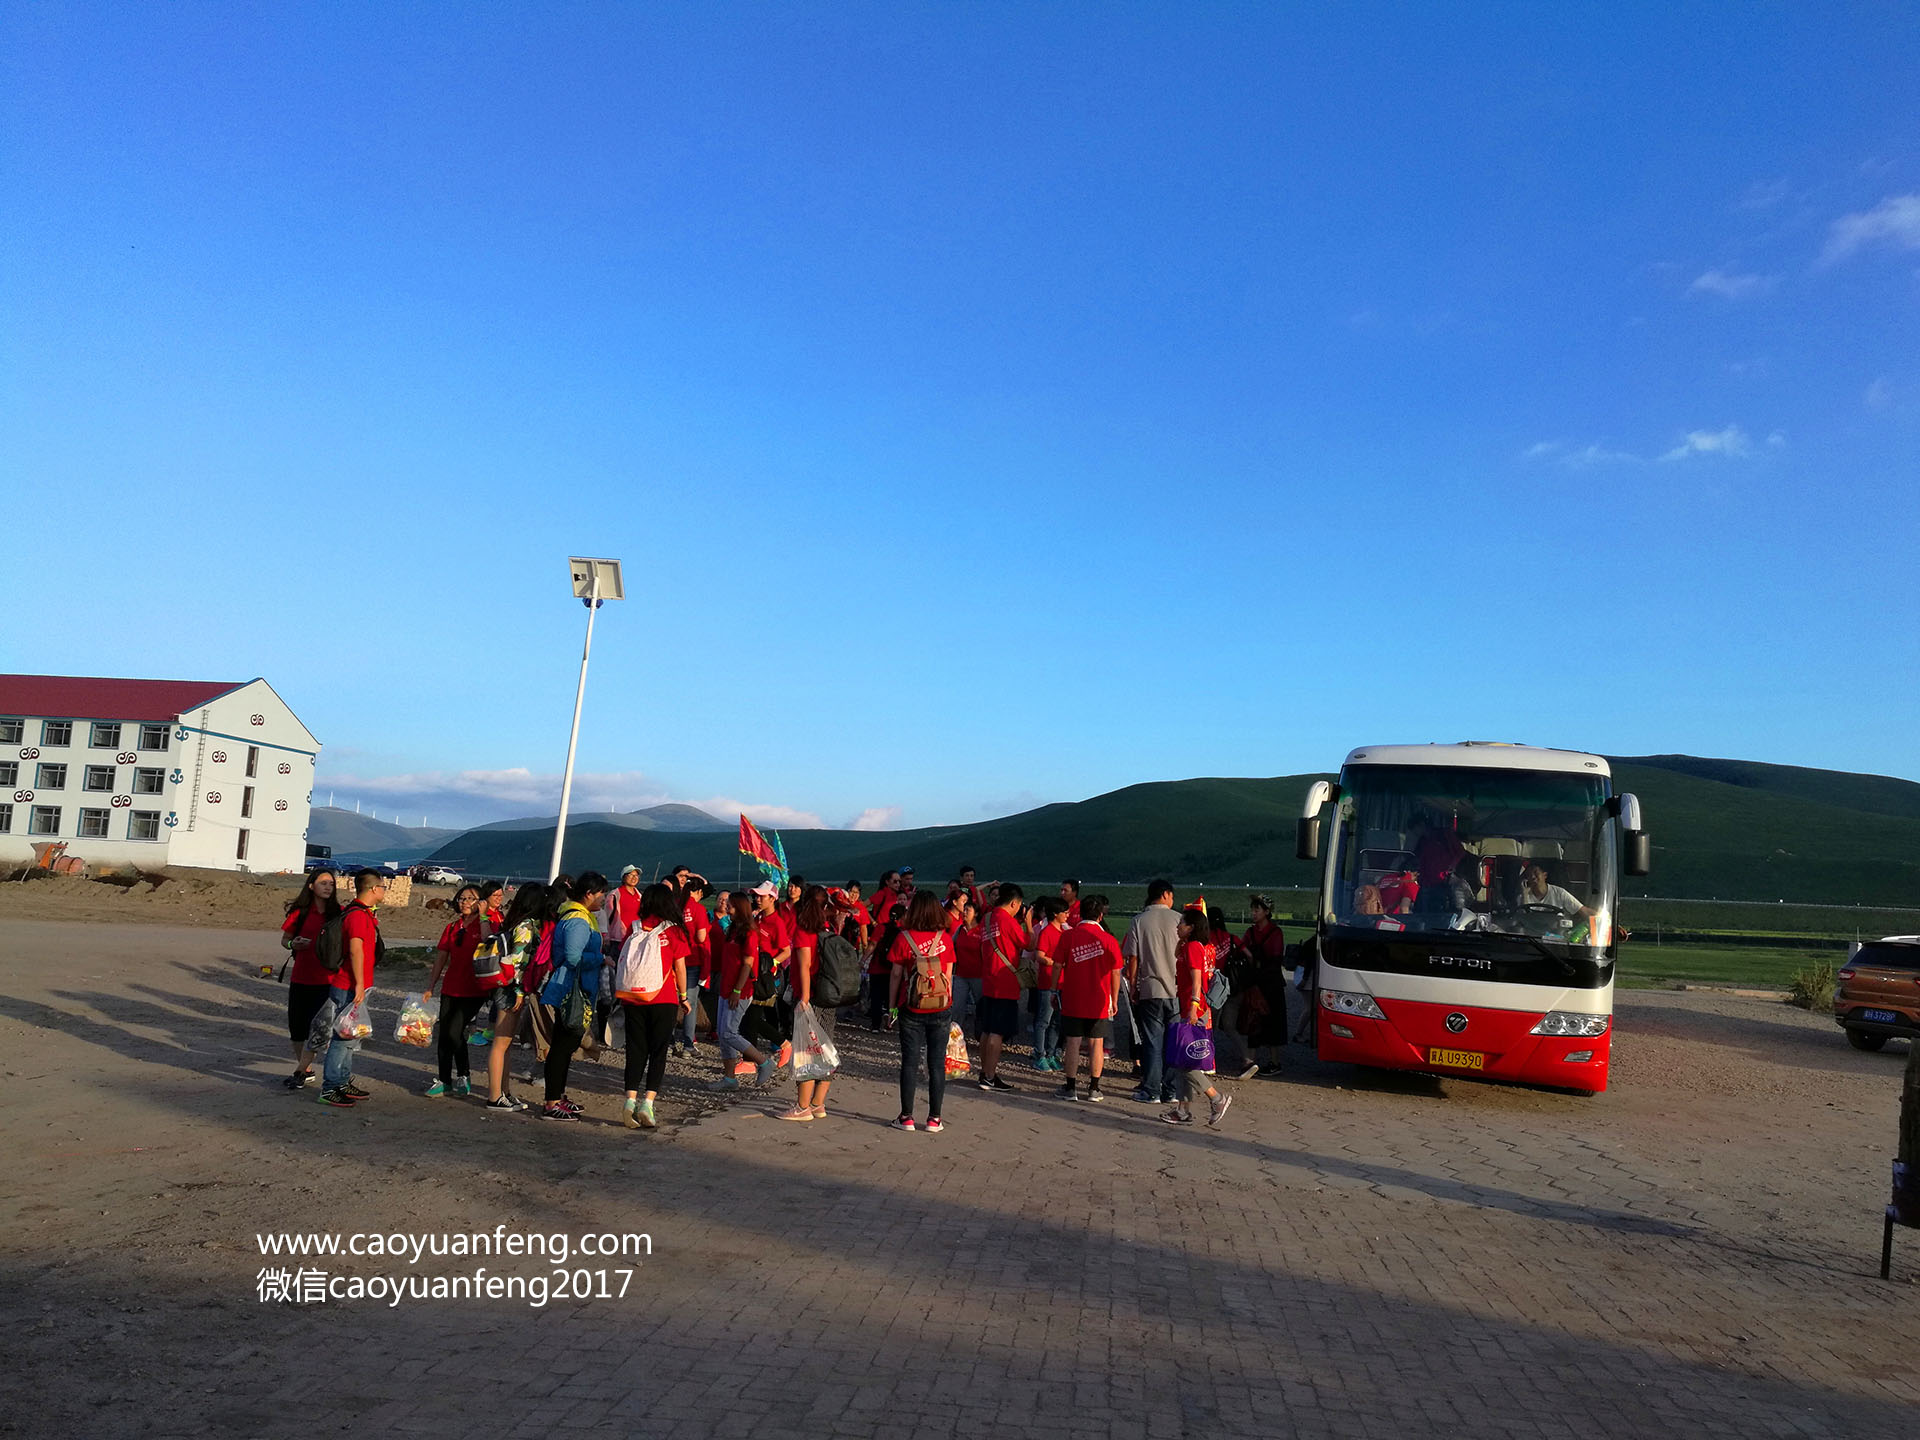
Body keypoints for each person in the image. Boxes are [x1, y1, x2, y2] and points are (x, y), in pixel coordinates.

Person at [614, 882, 692, 1130]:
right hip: (663, 997)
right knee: (658, 1052)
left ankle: (629, 1102)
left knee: (635, 1049)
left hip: (632, 998)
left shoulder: (635, 928)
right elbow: (680, 967)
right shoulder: (674, 931)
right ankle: (647, 1103)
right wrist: (684, 996)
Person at [537, 871, 609, 1120]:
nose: (603, 899)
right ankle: (551, 1102)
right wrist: (601, 958)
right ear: (589, 894)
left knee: (563, 1045)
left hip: (572, 986)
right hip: (571, 989)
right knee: (562, 1046)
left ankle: (557, 1096)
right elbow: (573, 956)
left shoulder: (578, 915)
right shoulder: (578, 920)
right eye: (601, 894)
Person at [319, 869, 387, 1108]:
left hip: (358, 985)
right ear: (372, 889)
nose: (384, 891)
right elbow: (356, 950)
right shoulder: (357, 915)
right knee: (341, 1037)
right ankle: (330, 1086)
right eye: (382, 886)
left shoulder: (364, 913)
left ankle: (342, 1081)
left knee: (351, 1037)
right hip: (348, 985)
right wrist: (359, 984)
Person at [888, 891, 956, 1131]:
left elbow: (896, 974)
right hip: (940, 1007)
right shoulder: (945, 939)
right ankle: (934, 1118)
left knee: (910, 1061)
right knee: (937, 1063)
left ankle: (906, 1116)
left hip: (911, 1006)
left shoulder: (903, 938)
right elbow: (947, 975)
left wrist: (892, 1006)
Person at [1165, 907, 1232, 1127]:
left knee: (1185, 1061)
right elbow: (1176, 955)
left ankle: (1216, 1098)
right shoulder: (1189, 946)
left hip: (1194, 1009)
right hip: (1189, 1008)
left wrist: (1194, 1005)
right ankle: (1183, 1111)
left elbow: (1196, 980)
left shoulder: (1194, 947)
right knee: (1183, 1060)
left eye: (1182, 923)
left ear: (1192, 927)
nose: (1178, 926)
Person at [483, 880, 546, 1111]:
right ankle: (494, 1095)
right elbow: (517, 962)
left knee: (506, 1043)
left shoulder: (514, 922)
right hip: (511, 989)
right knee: (501, 1043)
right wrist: (519, 990)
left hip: (507, 987)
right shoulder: (526, 927)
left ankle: (503, 1091)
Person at [424, 884, 492, 1098]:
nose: (464, 902)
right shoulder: (452, 928)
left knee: (455, 1031)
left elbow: (488, 942)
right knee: (445, 1034)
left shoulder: (486, 924)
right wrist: (430, 986)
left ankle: (463, 1074)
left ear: (480, 902)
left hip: (474, 990)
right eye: (462, 898)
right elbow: (441, 959)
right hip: (450, 987)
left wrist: (483, 916)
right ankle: (444, 1080)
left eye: (471, 899)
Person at [780, 885, 840, 1122]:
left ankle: (802, 1106)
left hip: (811, 997)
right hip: (828, 997)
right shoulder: (828, 930)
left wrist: (803, 998)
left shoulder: (804, 931)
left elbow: (804, 965)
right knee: (825, 1049)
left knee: (806, 1051)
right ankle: (818, 1103)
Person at [709, 891, 780, 1090]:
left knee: (730, 1032)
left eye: (730, 904)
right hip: (726, 986)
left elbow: (748, 964)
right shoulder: (733, 929)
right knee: (723, 1033)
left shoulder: (749, 932)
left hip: (739, 990)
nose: (726, 907)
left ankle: (764, 1062)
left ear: (739, 908)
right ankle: (730, 1078)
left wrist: (737, 990)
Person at [1120, 879, 1181, 1105]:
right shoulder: (1178, 919)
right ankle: (1171, 1091)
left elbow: (1133, 958)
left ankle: (1151, 1090)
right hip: (1175, 990)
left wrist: (1134, 986)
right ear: (1165, 894)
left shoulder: (1138, 921)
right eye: (1172, 895)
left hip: (1150, 989)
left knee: (1152, 1042)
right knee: (1173, 1042)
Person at [280, 868, 342, 1090]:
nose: (328, 887)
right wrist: (292, 944)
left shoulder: (338, 914)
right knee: (297, 1029)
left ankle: (299, 1071)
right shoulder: (300, 913)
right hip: (300, 978)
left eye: (331, 884)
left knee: (319, 1030)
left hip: (327, 981)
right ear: (311, 886)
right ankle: (304, 1068)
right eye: (323, 883)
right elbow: (284, 940)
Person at [1056, 895, 1122, 1101]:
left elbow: (1057, 965)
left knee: (1073, 1042)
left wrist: (1052, 989)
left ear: (1080, 914)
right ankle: (1094, 1088)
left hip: (1073, 997)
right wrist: (1114, 999)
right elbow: (1116, 972)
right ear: (1101, 916)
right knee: (1097, 1044)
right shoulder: (1109, 939)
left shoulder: (1068, 937)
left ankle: (1070, 1087)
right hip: (1099, 999)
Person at [976, 883, 1029, 1092]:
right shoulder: (1008, 920)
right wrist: (1028, 923)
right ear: (1014, 903)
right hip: (1005, 981)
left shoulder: (987, 918)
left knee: (987, 1030)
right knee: (997, 1032)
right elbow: (1028, 943)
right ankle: (989, 1076)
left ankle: (985, 1072)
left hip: (989, 978)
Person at [1240, 895, 1290, 1076]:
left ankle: (1275, 1062)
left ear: (1267, 912)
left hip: (1270, 986)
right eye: (1253, 909)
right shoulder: (1251, 932)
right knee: (1252, 1022)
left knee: (1273, 1024)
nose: (1253, 913)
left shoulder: (1276, 933)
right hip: (1257, 984)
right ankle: (1250, 1061)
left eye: (1257, 910)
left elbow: (1275, 962)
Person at [1027, 897, 1068, 1071]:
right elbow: (1039, 955)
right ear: (1055, 914)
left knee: (1056, 1022)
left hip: (1061, 983)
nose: (1067, 915)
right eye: (1064, 912)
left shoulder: (1063, 933)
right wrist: (1055, 963)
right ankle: (1040, 1054)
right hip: (1048, 983)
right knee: (1044, 1020)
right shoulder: (1047, 932)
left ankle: (1051, 1054)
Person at [677, 876, 714, 1055]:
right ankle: (688, 1045)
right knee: (689, 1004)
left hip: (674, 959)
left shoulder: (676, 906)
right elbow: (700, 937)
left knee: (672, 1001)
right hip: (692, 960)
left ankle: (669, 1043)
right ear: (698, 892)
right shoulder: (698, 909)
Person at [1515, 861, 1594, 927]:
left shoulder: (1560, 893)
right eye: (1529, 875)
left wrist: (1602, 917)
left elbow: (1583, 910)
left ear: (1544, 875)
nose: (1532, 876)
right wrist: (1524, 894)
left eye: (1536, 873)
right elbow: (1521, 920)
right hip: (1530, 937)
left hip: (1557, 938)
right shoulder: (1522, 896)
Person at [949, 893, 984, 1039]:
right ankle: (955, 1039)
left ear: (975, 914)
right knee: (957, 1007)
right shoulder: (959, 930)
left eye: (968, 910)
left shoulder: (982, 931)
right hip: (961, 975)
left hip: (979, 975)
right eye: (964, 910)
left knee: (981, 1007)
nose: (964, 913)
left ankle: (981, 1035)